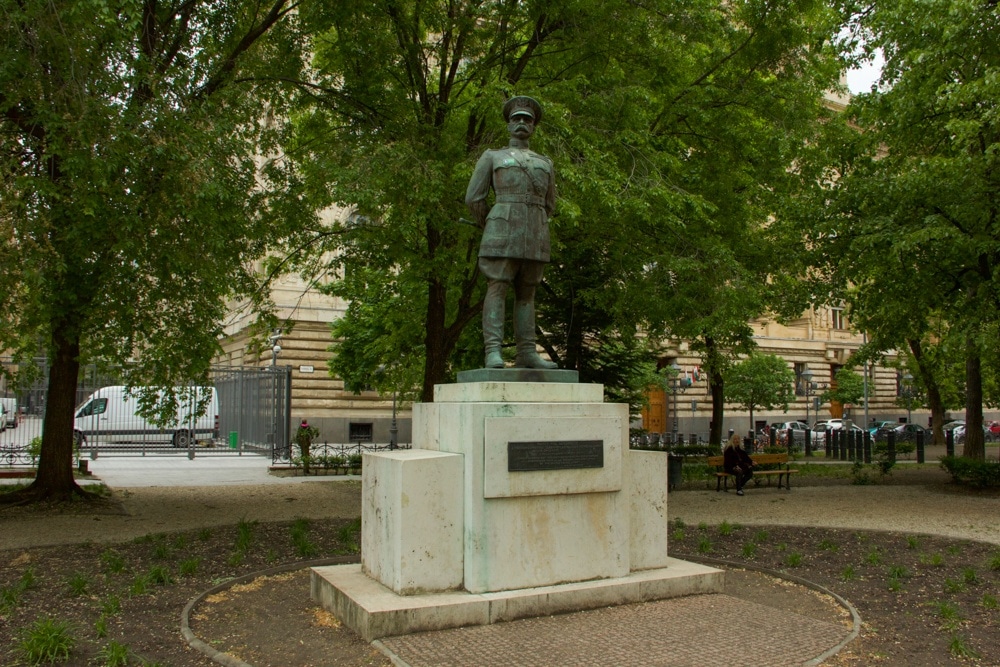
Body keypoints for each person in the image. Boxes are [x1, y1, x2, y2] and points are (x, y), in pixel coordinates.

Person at [465, 96, 558, 370]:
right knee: (497, 286)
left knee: (527, 293)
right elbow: (474, 198)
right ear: (508, 125)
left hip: (534, 233)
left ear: (533, 127)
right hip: (501, 231)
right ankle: (492, 351)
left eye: (526, 120)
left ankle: (527, 353)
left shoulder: (545, 163)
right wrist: (491, 223)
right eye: (516, 118)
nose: (521, 123)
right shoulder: (492, 157)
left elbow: (550, 203)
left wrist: (532, 221)